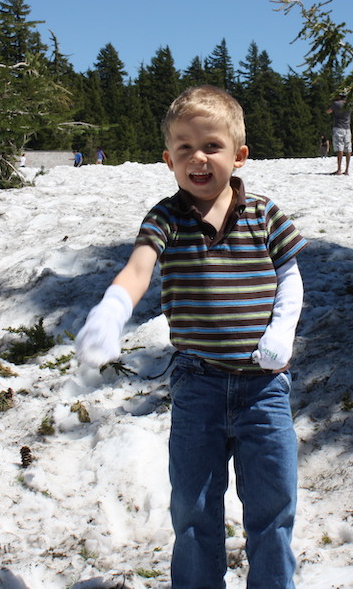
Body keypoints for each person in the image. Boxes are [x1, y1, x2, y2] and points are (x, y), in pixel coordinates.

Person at [75, 85, 307, 588]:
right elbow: (140, 267)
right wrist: (113, 310)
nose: (197, 158)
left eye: (211, 146)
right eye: (184, 148)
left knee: (273, 506)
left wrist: (282, 329)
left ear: (240, 155)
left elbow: (290, 274)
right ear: (168, 159)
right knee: (195, 509)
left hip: (263, 388)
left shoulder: (265, 215)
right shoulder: (167, 218)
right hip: (197, 385)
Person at [327, 92, 352, 175]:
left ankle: (339, 169)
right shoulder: (350, 104)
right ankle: (347, 170)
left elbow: (328, 111)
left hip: (338, 127)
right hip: (347, 128)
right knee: (348, 148)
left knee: (339, 148)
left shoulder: (336, 104)